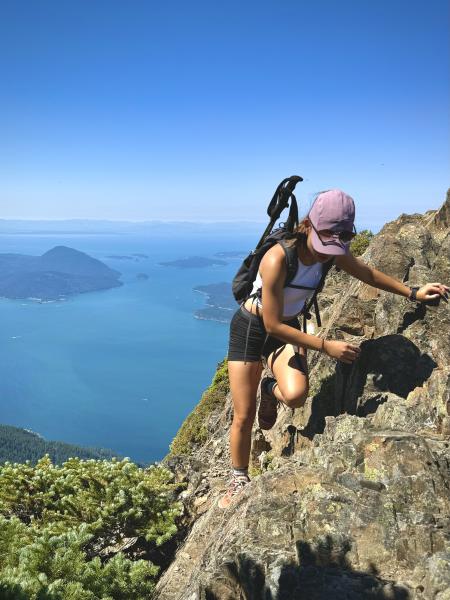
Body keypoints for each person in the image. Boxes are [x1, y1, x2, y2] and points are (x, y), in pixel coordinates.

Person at [218, 189, 449, 509]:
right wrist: (326, 347)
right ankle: (238, 478)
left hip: (288, 330)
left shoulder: (333, 251)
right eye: (325, 242)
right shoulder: (278, 258)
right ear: (309, 225)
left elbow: (367, 273)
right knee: (243, 416)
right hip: (252, 328)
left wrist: (412, 292)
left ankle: (269, 388)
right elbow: (271, 325)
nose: (329, 253)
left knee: (296, 395)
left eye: (337, 245)